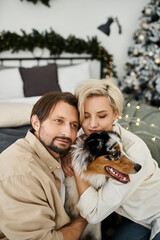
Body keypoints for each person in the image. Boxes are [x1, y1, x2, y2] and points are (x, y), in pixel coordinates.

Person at [62, 79, 160, 240]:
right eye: (85, 116)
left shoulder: (133, 153)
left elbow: (94, 214)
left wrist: (78, 162)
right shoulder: (86, 137)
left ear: (115, 114)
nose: (92, 124)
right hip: (137, 219)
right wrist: (68, 154)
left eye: (101, 115)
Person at [0, 91, 87, 240]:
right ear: (35, 122)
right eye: (59, 121)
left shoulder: (57, 151)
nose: (67, 132)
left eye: (74, 125)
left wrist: (69, 154)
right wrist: (84, 219)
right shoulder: (22, 174)